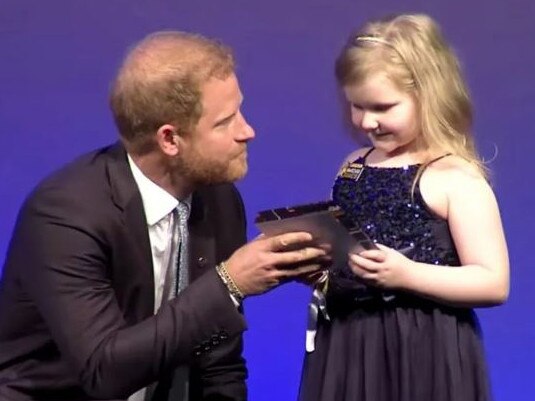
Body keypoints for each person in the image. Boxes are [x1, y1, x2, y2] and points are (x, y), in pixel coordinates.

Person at [0, 31, 326, 401]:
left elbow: (218, 364)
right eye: (225, 121)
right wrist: (229, 283)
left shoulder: (219, 200)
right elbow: (104, 370)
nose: (247, 131)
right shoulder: (65, 215)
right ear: (169, 140)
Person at [298, 13, 509, 401]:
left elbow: (493, 282)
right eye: (356, 106)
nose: (366, 121)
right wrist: (325, 270)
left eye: (382, 106)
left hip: (421, 344)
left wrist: (407, 274)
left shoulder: (453, 176)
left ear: (427, 95)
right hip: (349, 339)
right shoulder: (354, 165)